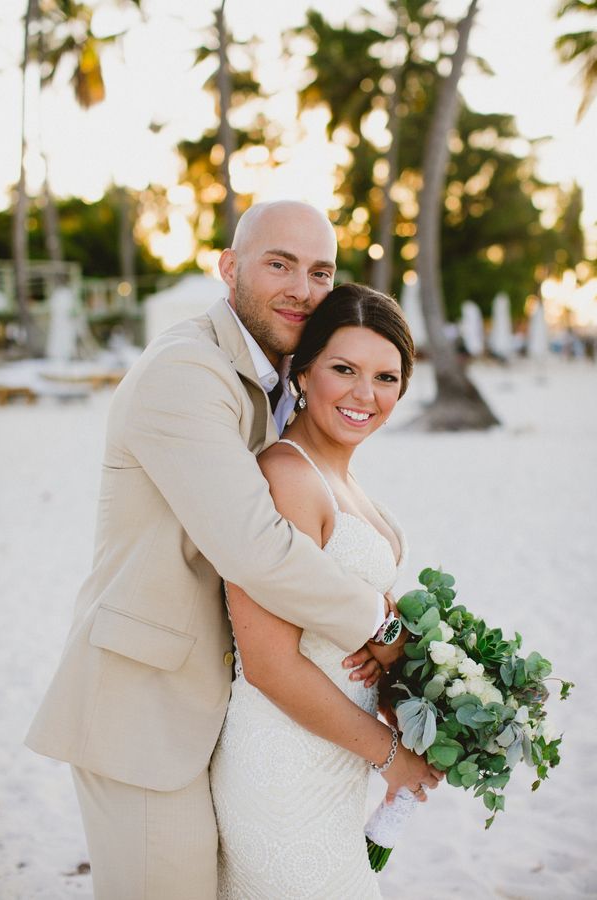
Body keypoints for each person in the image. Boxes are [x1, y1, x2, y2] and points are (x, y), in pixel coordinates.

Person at [25, 201, 428, 900]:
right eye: (280, 264)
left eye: (320, 271)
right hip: (145, 709)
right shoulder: (186, 372)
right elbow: (259, 550)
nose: (302, 287)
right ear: (228, 267)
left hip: (227, 719)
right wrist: (382, 626)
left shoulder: (272, 382)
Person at [211, 282, 441, 898]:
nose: (366, 395)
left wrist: (406, 685)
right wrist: (393, 756)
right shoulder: (286, 478)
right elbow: (268, 665)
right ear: (304, 373)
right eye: (344, 369)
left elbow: (356, 616)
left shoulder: (343, 477)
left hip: (339, 757)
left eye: (387, 377)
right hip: (284, 764)